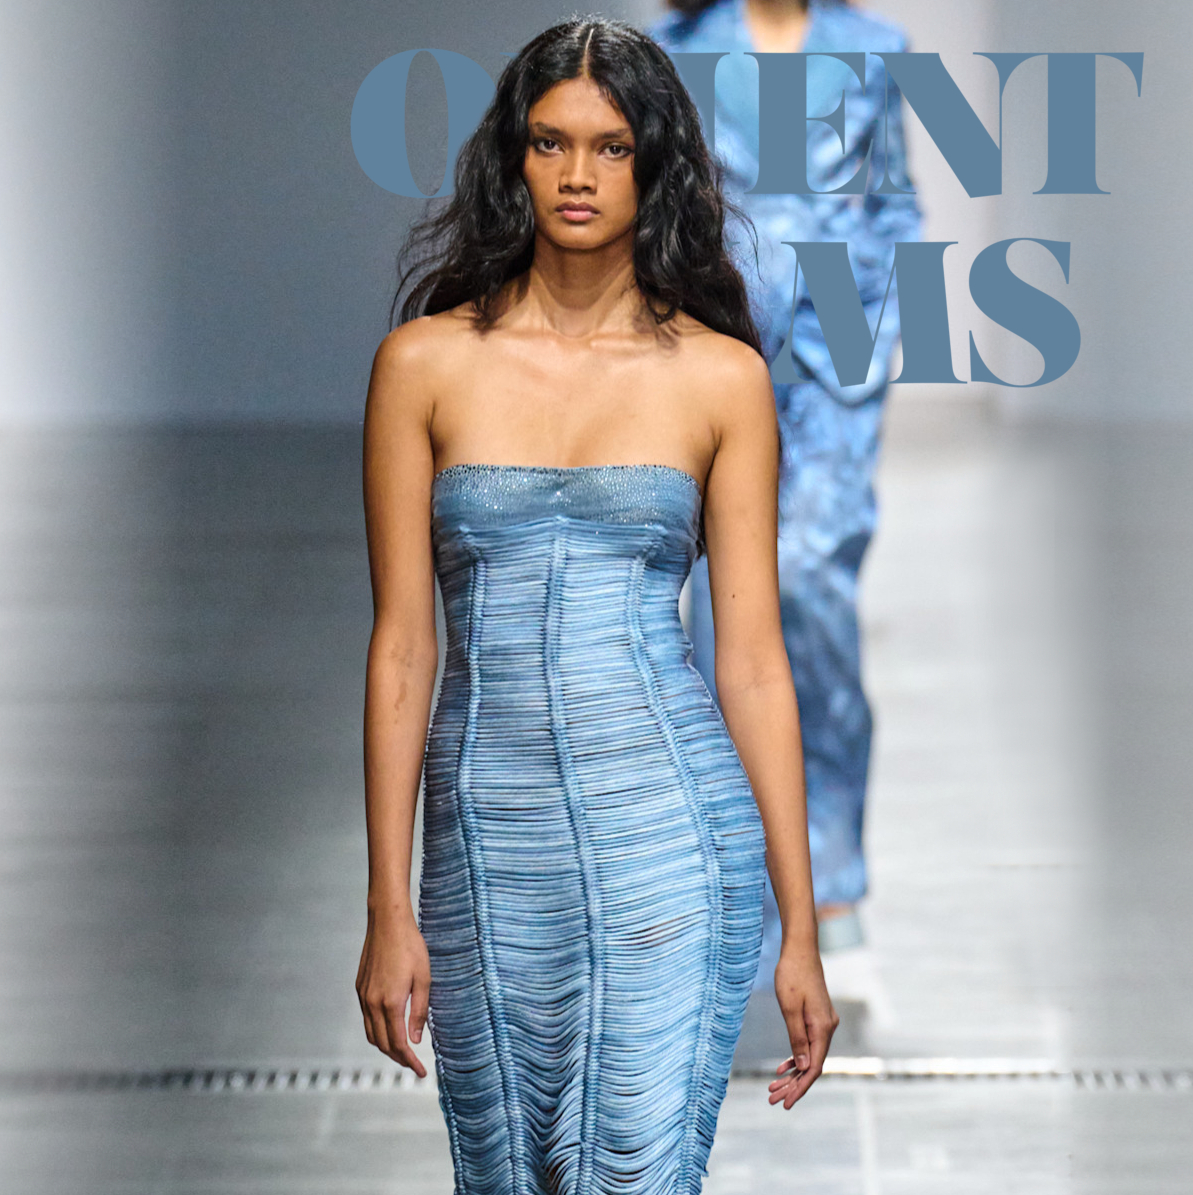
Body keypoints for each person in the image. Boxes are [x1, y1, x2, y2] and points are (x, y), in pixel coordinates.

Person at [353, 18, 836, 1191]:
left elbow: (753, 662)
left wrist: (802, 928)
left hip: (671, 835)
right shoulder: (422, 367)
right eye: (550, 142)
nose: (577, 174)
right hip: (484, 849)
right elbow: (403, 649)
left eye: (611, 147)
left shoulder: (721, 378)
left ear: (654, 163)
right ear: (511, 159)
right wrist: (385, 904)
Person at [651, 0, 922, 968]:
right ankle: (734, 863)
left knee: (809, 579)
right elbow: (662, 204)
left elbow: (895, 206)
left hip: (836, 360)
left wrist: (876, 333)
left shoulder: (875, 51)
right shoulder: (676, 52)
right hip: (716, 348)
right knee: (718, 603)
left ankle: (831, 855)